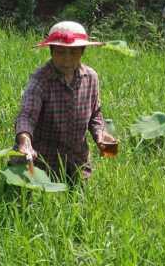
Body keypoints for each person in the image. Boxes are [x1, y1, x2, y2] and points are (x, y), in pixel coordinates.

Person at [14, 21, 116, 183]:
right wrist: (25, 141)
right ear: (51, 51)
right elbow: (27, 115)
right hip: (41, 161)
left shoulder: (90, 77)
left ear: (82, 52)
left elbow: (95, 114)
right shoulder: (41, 79)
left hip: (77, 160)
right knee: (31, 202)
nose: (67, 60)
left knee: (78, 202)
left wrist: (101, 135)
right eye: (61, 52)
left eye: (74, 53)